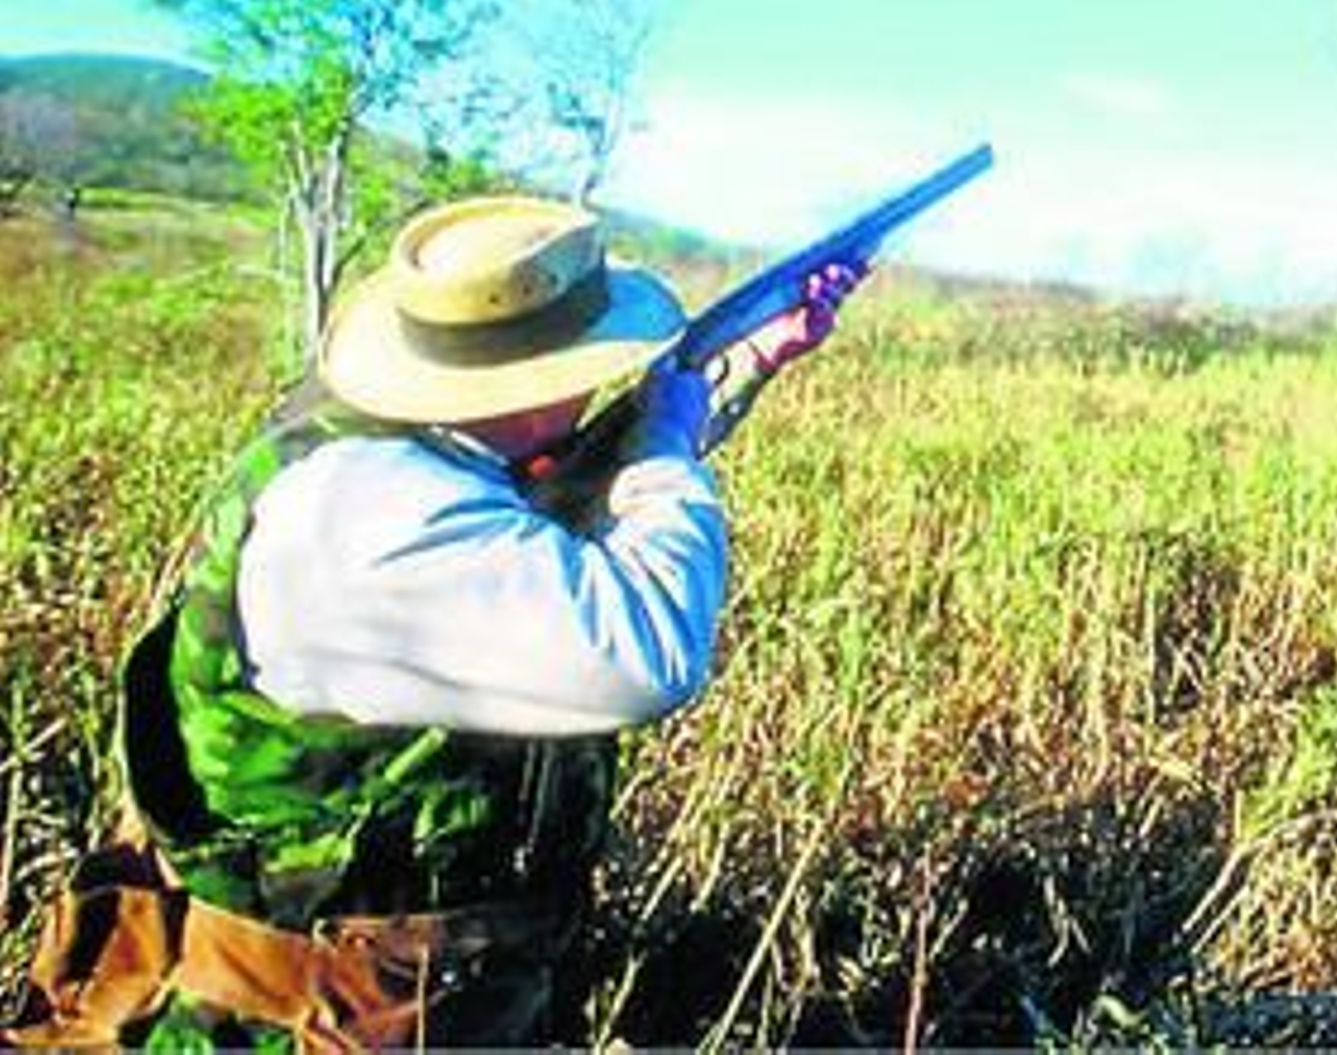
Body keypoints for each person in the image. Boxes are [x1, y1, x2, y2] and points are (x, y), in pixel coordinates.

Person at [4, 194, 862, 1050]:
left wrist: (740, 365)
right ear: (534, 383)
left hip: (402, 987)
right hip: (318, 1017)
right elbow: (645, 648)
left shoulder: (398, 446)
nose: (599, 380)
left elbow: (551, 506)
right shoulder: (376, 513)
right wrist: (664, 448)